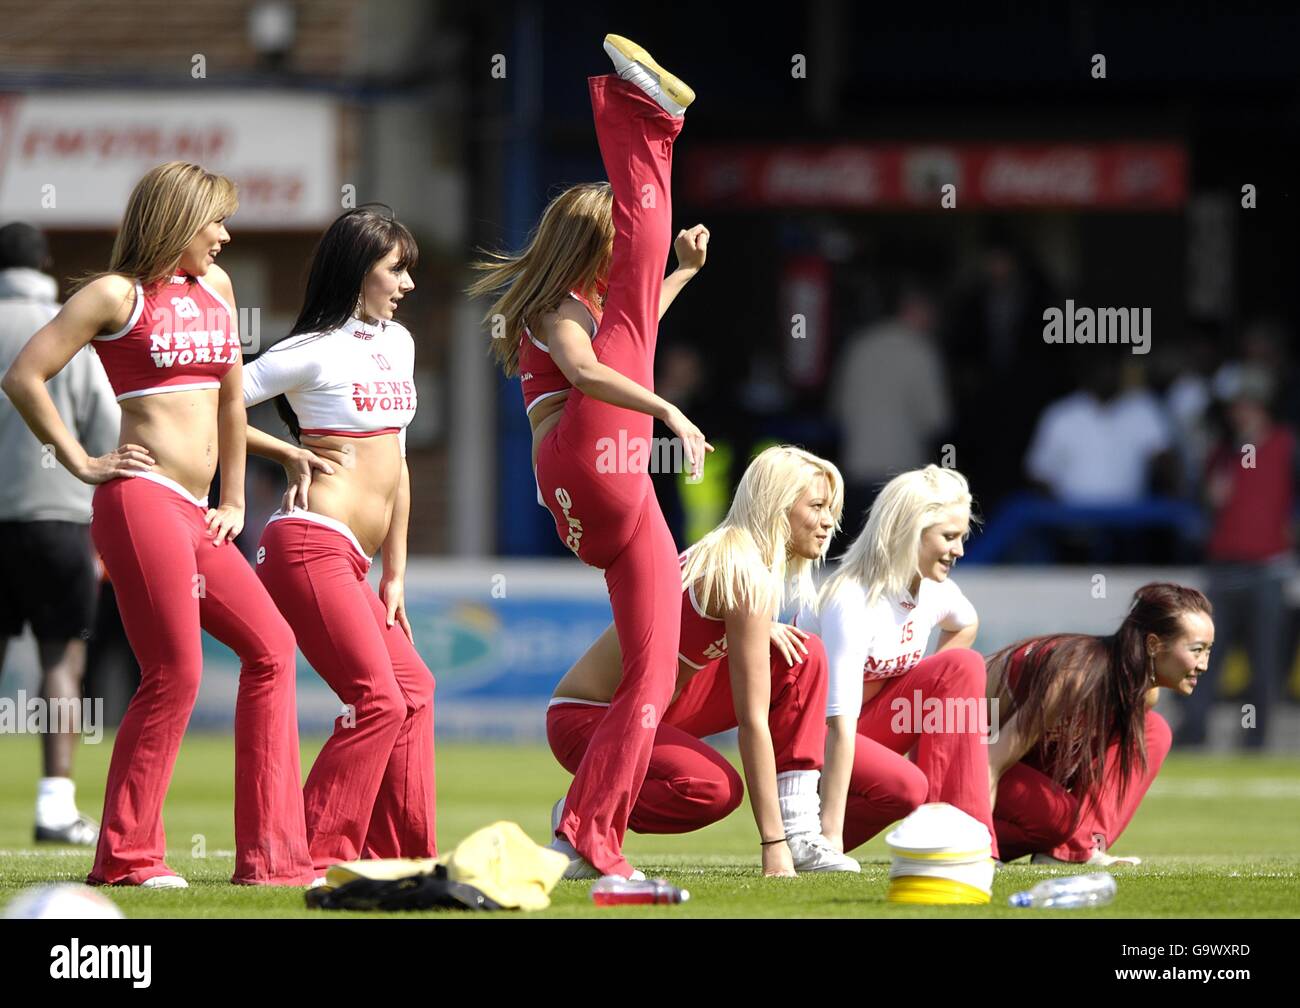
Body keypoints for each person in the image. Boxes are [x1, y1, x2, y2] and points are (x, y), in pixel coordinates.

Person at [1, 161, 315, 888]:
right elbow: (24, 375)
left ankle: (271, 859)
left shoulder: (219, 288)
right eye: (217, 221)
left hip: (199, 512)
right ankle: (127, 857)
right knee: (174, 671)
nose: (227, 236)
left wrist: (234, 500)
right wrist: (78, 458)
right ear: (177, 219)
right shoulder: (115, 294)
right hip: (139, 500)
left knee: (272, 647)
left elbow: (232, 402)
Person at [466, 35, 710, 880]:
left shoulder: (595, 304)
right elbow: (592, 370)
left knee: (650, 676)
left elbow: (635, 331)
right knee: (642, 269)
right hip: (588, 464)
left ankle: (585, 832)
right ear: (584, 244)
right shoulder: (553, 306)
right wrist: (668, 408)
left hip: (606, 493)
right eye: (608, 236)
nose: (622, 253)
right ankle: (647, 121)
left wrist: (679, 275)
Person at [548, 446, 860, 877]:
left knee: (804, 657)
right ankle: (582, 812)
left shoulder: (740, 561)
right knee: (712, 789)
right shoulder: (743, 571)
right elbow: (753, 723)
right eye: (818, 506)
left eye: (832, 508)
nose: (830, 521)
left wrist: (757, 628)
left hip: (655, 709)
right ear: (777, 504)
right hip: (586, 718)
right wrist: (772, 848)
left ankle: (802, 831)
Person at [241, 205, 435, 874]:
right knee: (377, 700)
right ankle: (316, 854)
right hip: (307, 546)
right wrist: (285, 455)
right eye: (395, 269)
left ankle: (400, 858)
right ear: (359, 272)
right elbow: (205, 406)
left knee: (414, 689)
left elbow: (399, 464)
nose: (407, 283)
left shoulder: (400, 343)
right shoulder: (309, 349)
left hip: (356, 562)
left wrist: (396, 574)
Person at [799, 465, 991, 856]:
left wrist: (929, 716)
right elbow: (838, 725)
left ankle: (970, 840)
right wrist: (830, 840)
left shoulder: (936, 590)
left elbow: (966, 624)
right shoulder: (850, 600)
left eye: (961, 537)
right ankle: (804, 835)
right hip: (809, 742)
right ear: (908, 535)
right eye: (949, 537)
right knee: (907, 786)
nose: (959, 550)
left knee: (963, 667)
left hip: (858, 736)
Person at [0, 222, 120, 846]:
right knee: (61, 661)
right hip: (58, 517)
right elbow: (106, 426)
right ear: (45, 261)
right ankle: (54, 806)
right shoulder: (67, 328)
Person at [986, 583, 1213, 865]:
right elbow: (989, 762)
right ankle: (953, 842)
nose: (1203, 665)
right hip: (967, 761)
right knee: (1057, 815)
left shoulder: (1144, 694)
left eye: (1208, 651)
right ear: (1154, 645)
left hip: (1014, 763)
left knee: (1154, 731)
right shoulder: (1076, 677)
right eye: (1196, 650)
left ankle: (1073, 851)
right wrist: (981, 850)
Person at [1177, 366, 1294, 749]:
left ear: (1261, 407)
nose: (1239, 414)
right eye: (1236, 407)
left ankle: (1255, 738)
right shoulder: (1223, 453)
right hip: (1224, 569)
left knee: (1265, 663)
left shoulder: (1286, 446)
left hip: (1267, 569)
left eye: (1246, 405)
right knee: (1202, 658)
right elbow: (1210, 502)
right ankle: (1194, 732)